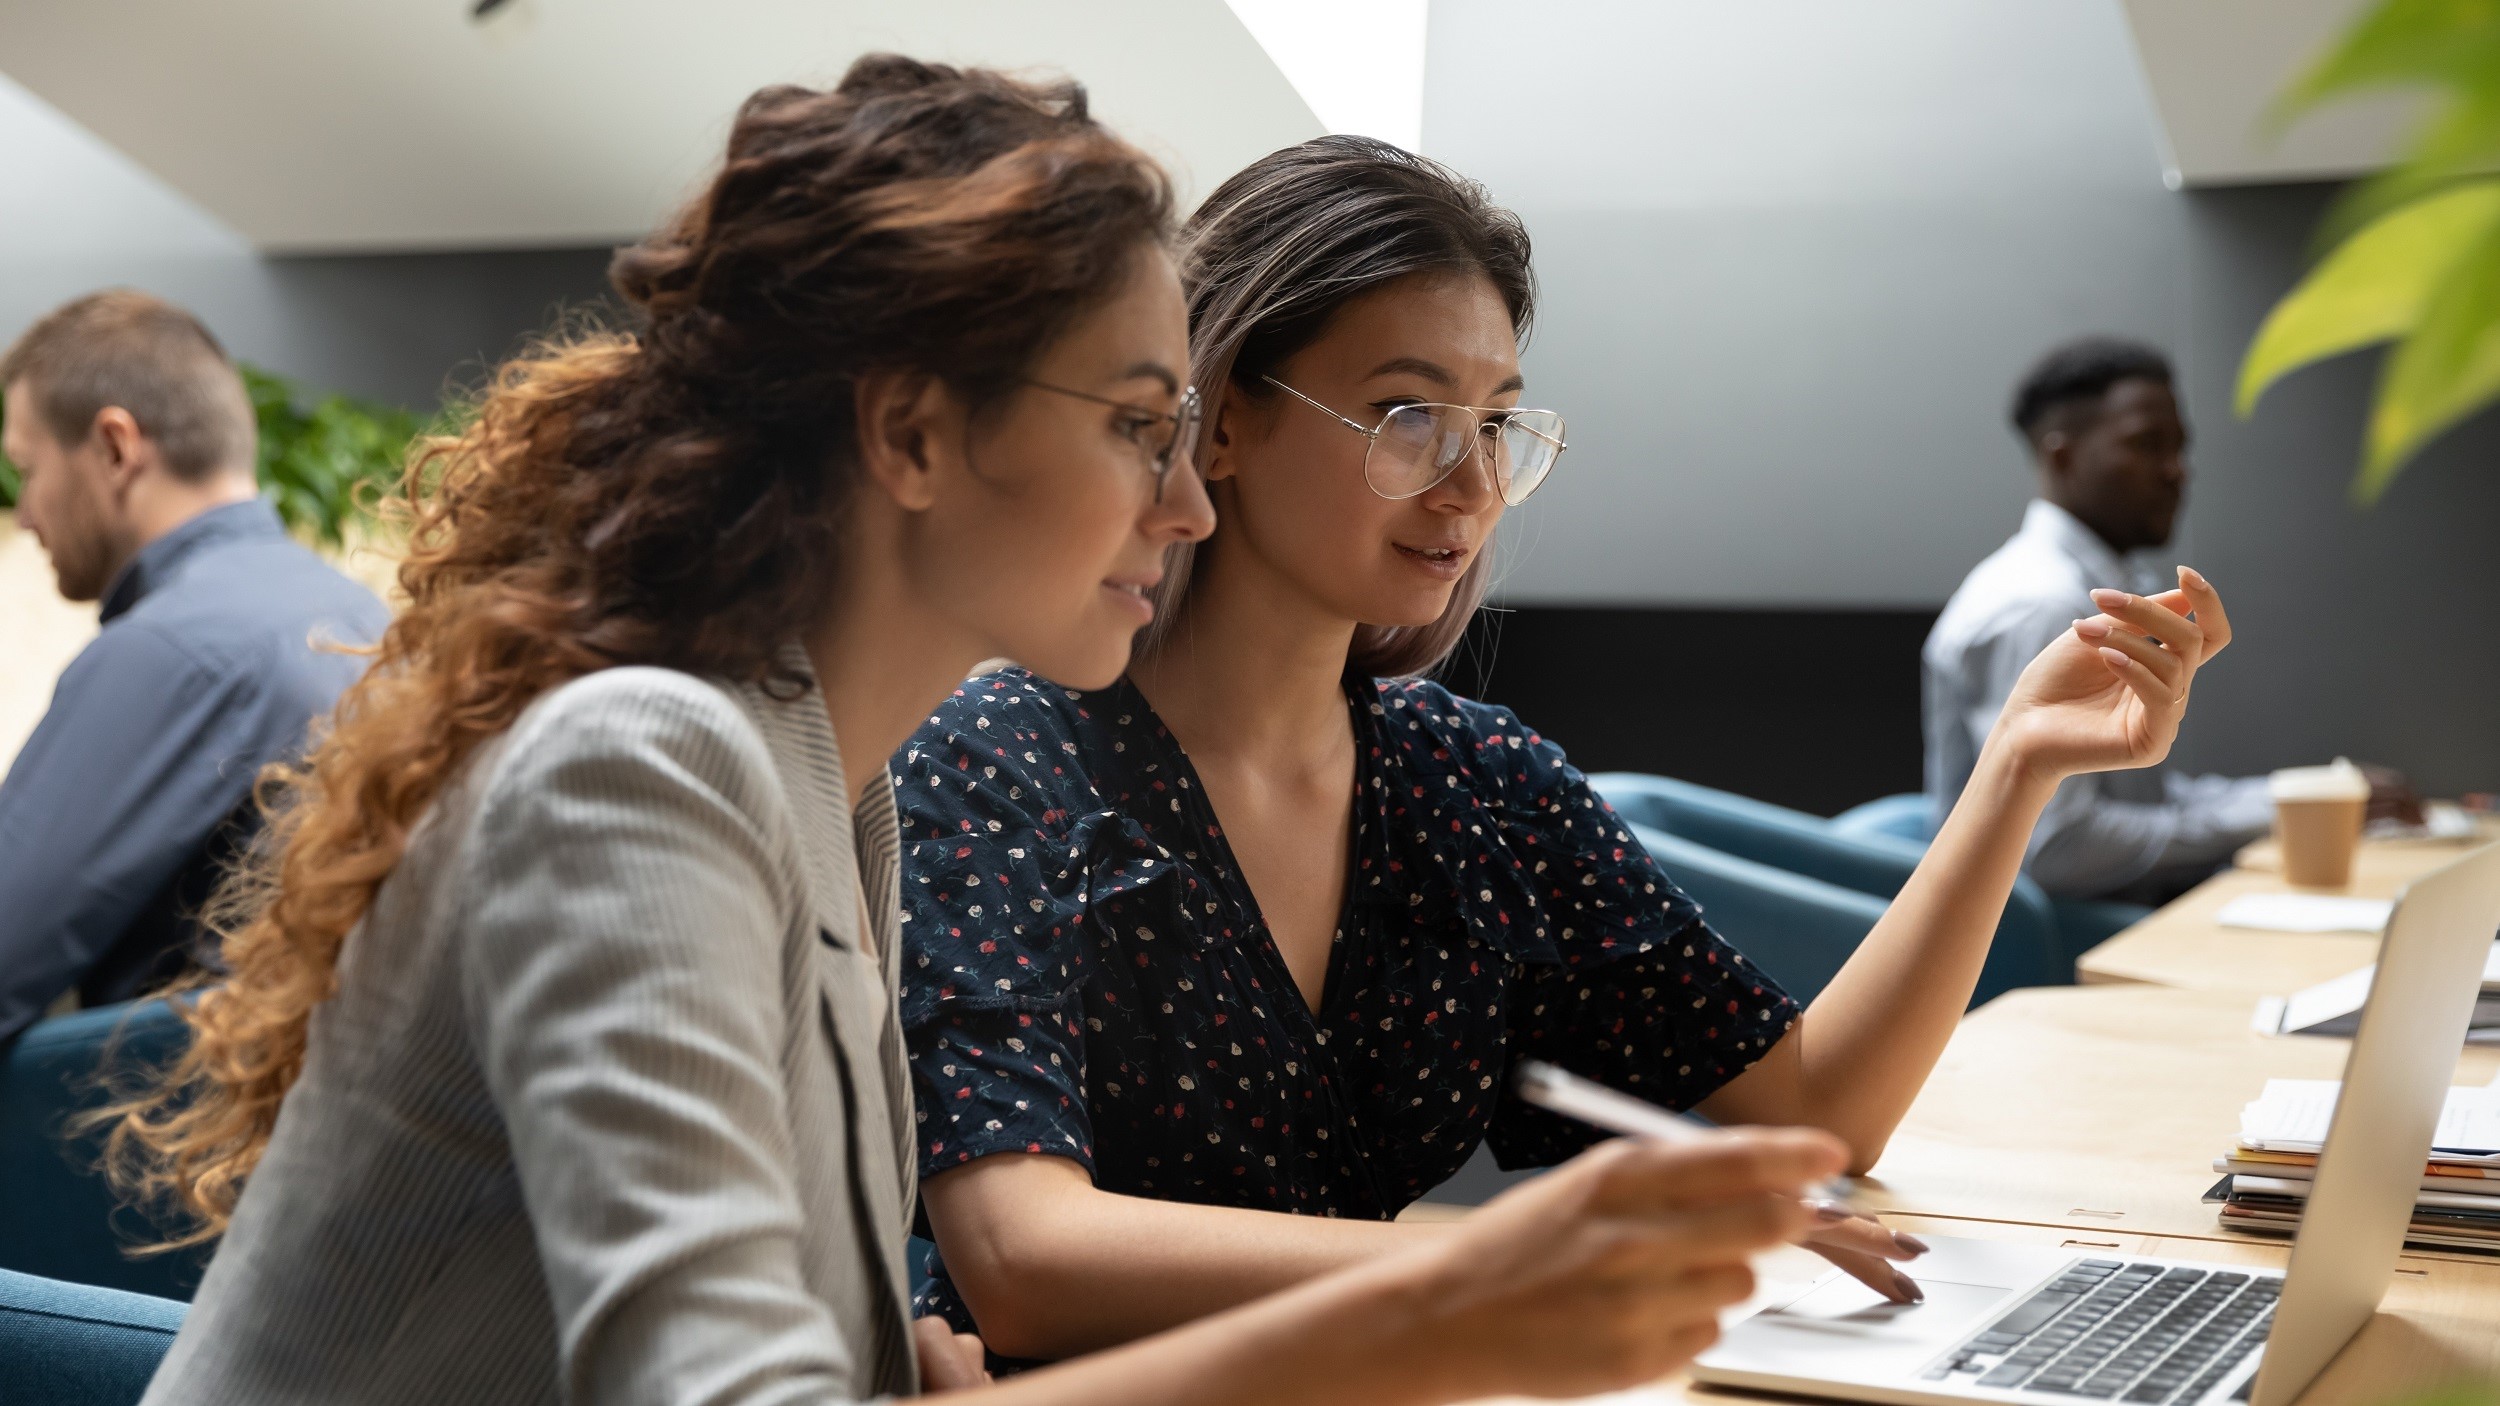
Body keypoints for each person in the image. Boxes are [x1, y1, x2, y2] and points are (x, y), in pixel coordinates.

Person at [101, 60, 1852, 1406]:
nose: (1182, 507)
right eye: (1137, 427)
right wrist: (1442, 1297)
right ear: (917, 439)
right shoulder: (641, 768)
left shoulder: (825, 777)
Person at [892, 138, 2237, 1365]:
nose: (1471, 484)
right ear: (1224, 416)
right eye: (1409, 415)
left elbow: (1809, 1115)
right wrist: (1510, 1258)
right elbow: (1023, 1260)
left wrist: (2018, 770)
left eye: (1496, 424)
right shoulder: (1003, 756)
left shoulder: (1469, 780)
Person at [0, 291, 387, 1046]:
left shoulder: (179, 649)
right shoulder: (364, 620)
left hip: (165, 1141)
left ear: (115, 447)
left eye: (29, 470)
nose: (25, 515)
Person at [1923, 337, 2411, 904]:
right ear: (2064, 457)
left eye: (2180, 447)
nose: (2177, 470)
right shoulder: (2042, 607)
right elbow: (2057, 847)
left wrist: (2303, 795)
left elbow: (2135, 800)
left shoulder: (2098, 586)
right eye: (2147, 445)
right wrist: (2276, 813)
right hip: (2061, 937)